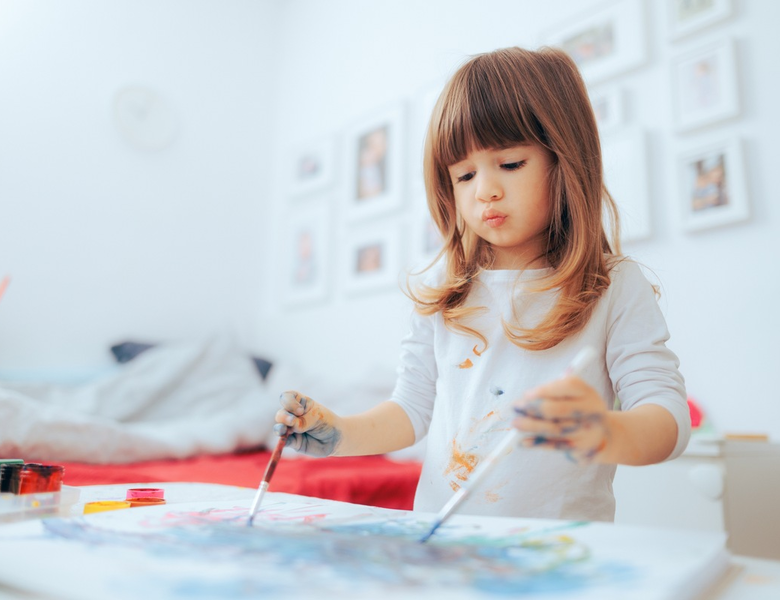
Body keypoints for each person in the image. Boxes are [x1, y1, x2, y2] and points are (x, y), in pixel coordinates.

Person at [274, 46, 690, 522]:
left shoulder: (612, 285)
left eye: (510, 164)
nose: (484, 190)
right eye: (464, 175)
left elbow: (669, 418)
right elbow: (411, 411)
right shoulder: (443, 288)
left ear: (564, 160)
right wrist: (340, 431)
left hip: (558, 556)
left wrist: (607, 432)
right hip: (446, 547)